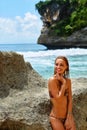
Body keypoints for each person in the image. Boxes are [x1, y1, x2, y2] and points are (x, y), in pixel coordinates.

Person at [48, 56, 76, 130]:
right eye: (56, 64)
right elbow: (58, 98)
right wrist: (63, 83)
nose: (58, 67)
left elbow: (70, 99)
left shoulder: (68, 81)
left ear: (66, 67)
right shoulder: (52, 80)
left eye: (61, 65)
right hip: (56, 118)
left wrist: (69, 117)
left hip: (68, 116)